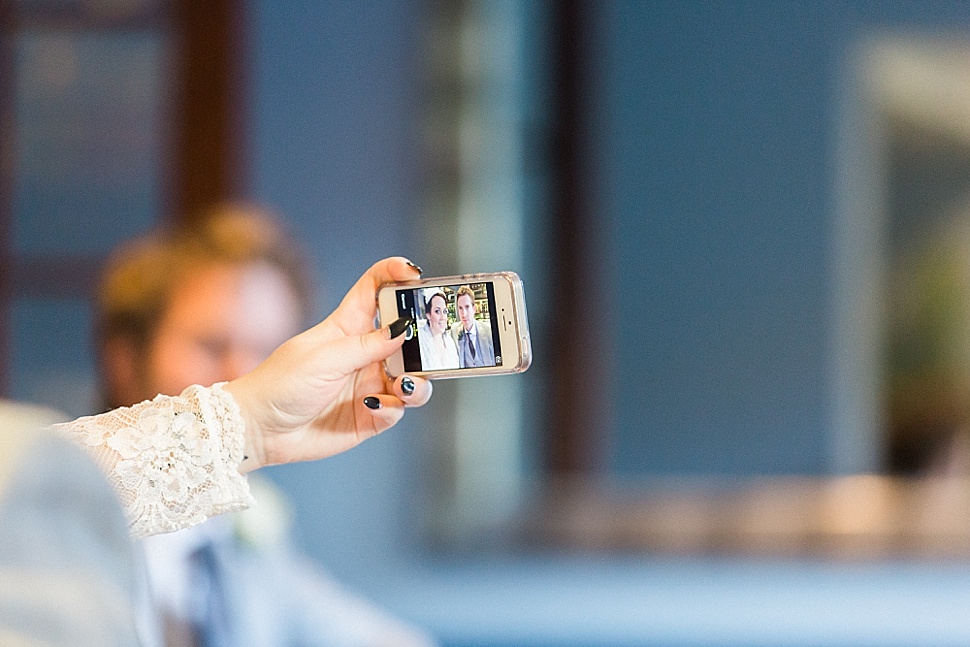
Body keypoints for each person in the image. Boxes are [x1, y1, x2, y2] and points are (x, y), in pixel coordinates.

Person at [0, 252, 430, 646]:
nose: (244, 372)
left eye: (272, 352)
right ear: (125, 357)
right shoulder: (46, 509)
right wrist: (242, 427)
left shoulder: (248, 529)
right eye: (211, 345)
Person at [449, 285, 495, 368]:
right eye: (460, 308)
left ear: (474, 309)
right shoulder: (454, 330)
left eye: (467, 307)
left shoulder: (488, 331)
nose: (464, 314)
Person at [416, 290, 460, 370]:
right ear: (428, 315)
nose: (443, 317)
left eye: (445, 311)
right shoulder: (420, 340)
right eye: (437, 311)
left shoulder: (450, 342)